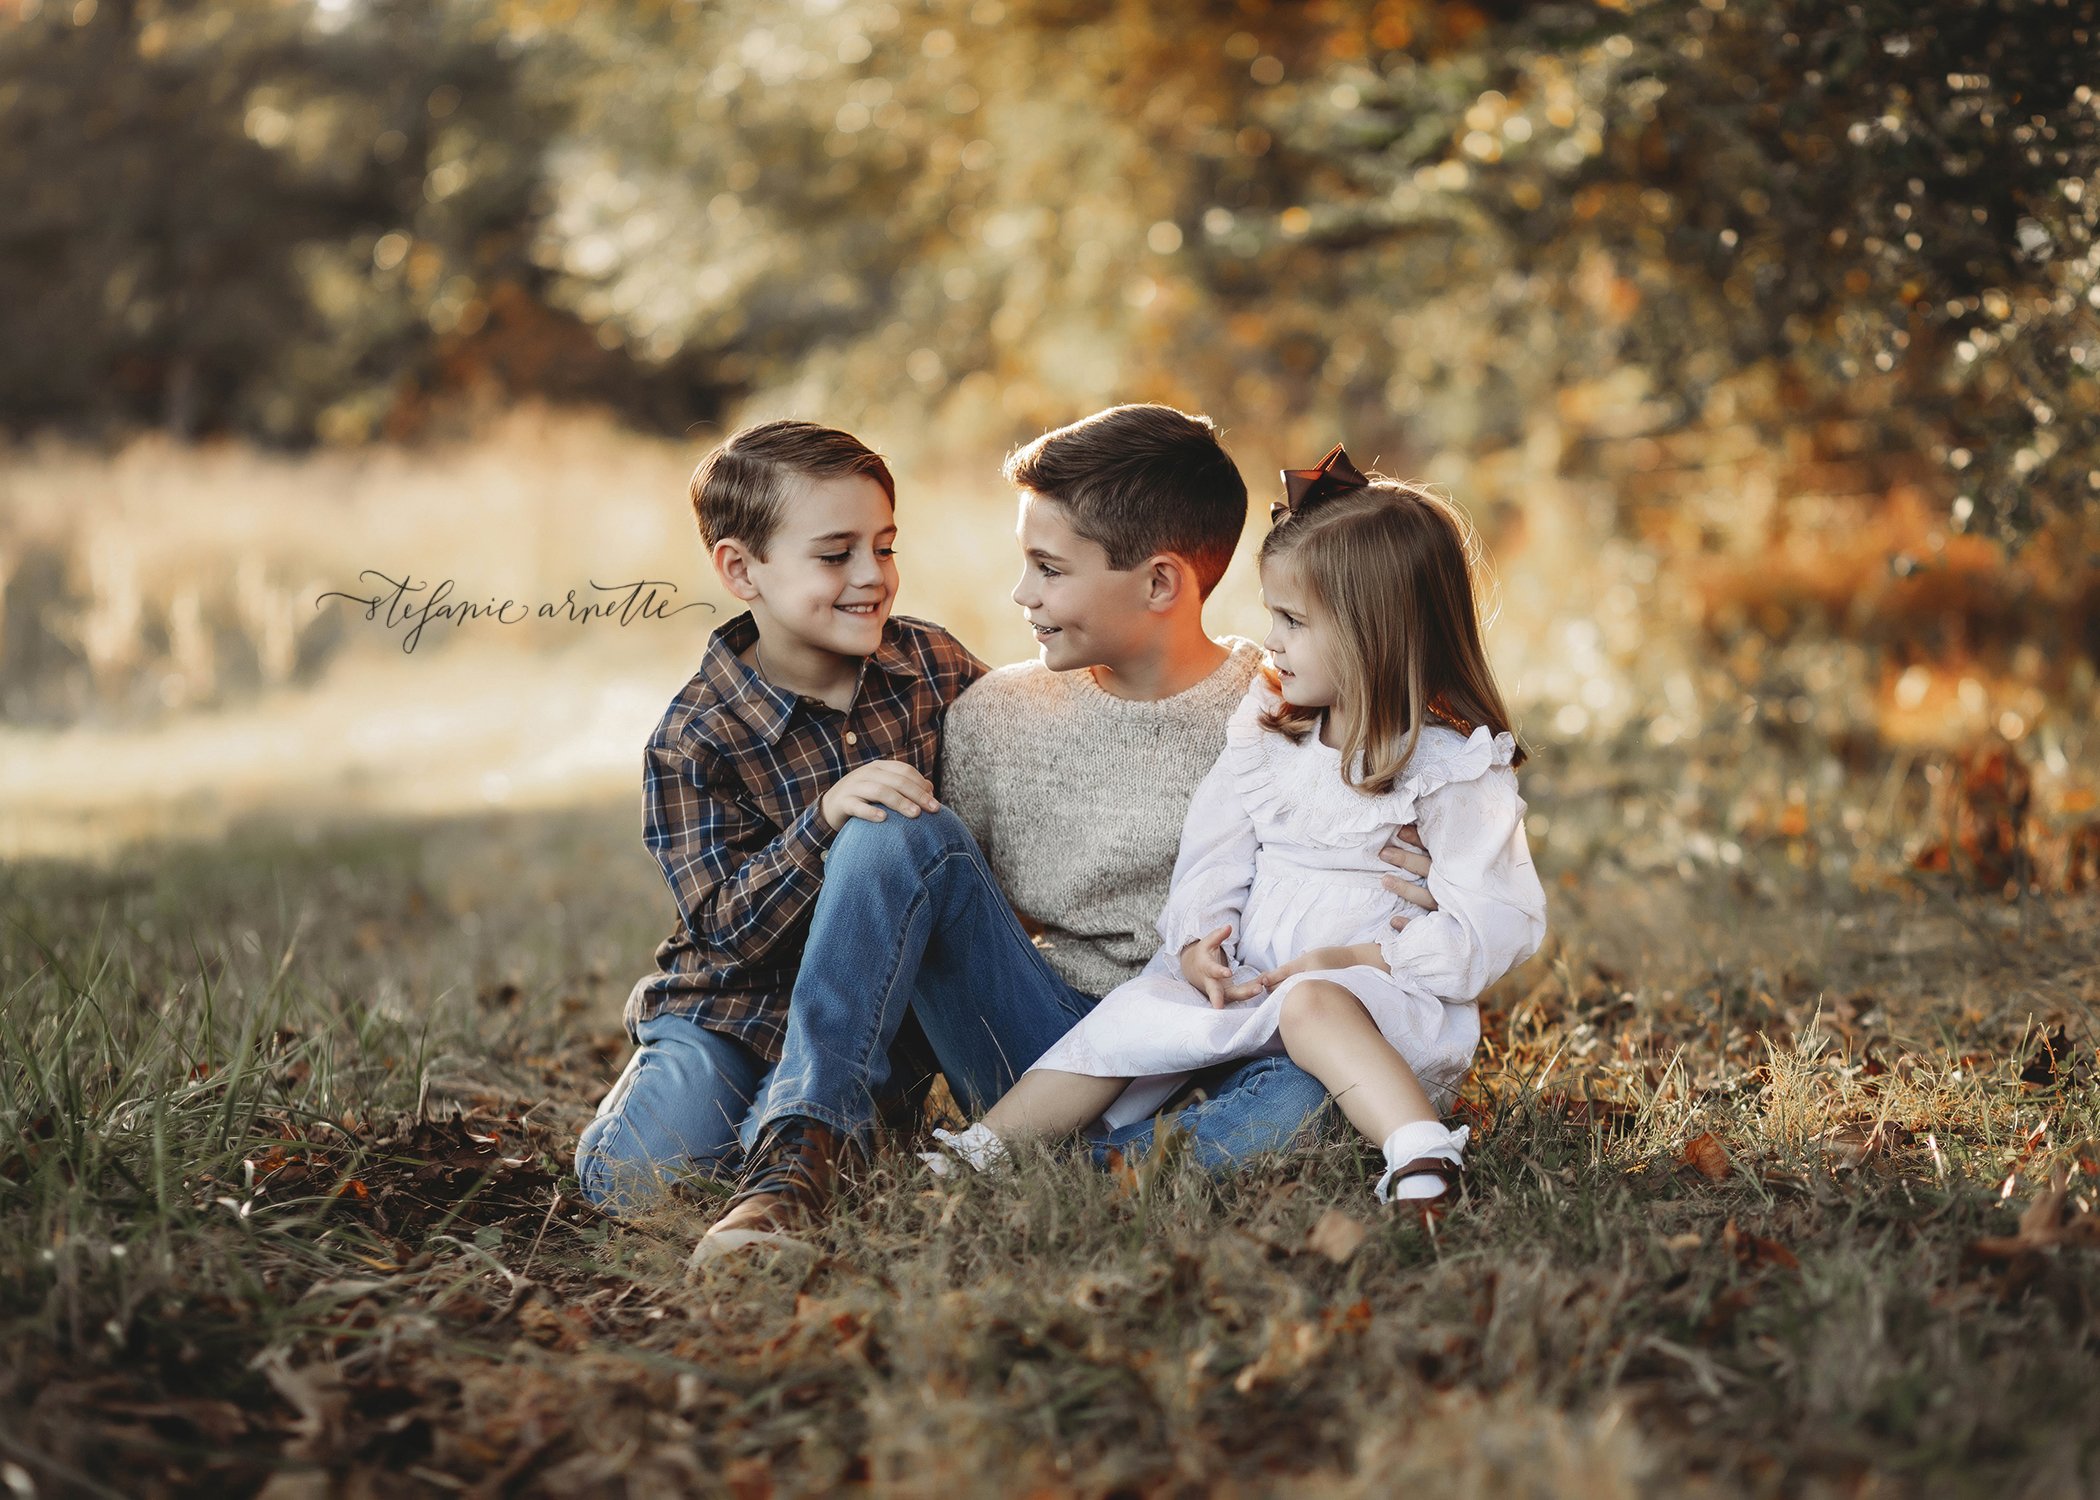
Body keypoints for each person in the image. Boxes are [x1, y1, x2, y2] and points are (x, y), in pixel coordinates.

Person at [697, 410, 1437, 1258]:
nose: (1021, 595)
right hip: (1050, 1048)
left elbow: (1415, 815)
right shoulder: (995, 719)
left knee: (1321, 1081)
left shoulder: (1294, 712)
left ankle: (1106, 1171)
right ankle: (799, 1155)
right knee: (889, 828)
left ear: (1160, 584)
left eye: (1048, 569)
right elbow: (921, 917)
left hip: (1231, 1046)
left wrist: (1421, 883)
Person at [927, 444, 1546, 1206]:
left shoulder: (1452, 767)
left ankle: (1418, 1151)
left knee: (1308, 1034)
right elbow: (1214, 853)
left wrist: (1364, 954)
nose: (1272, 641)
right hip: (1247, 982)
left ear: (1376, 633)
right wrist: (1197, 941)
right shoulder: (1269, 731)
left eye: (1292, 620)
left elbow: (1501, 921)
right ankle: (981, 1153)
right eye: (1272, 616)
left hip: (1369, 1008)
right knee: (1130, 1019)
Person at [574, 419, 985, 1216]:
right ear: (741, 568)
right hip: (735, 1006)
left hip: (880, 1010)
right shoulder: (696, 737)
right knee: (634, 1187)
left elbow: (1025, 760)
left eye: (886, 546)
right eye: (836, 555)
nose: (873, 576)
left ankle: (815, 1114)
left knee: (804, 1147)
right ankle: (689, 1087)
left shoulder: (933, 667)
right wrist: (823, 819)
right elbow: (726, 931)